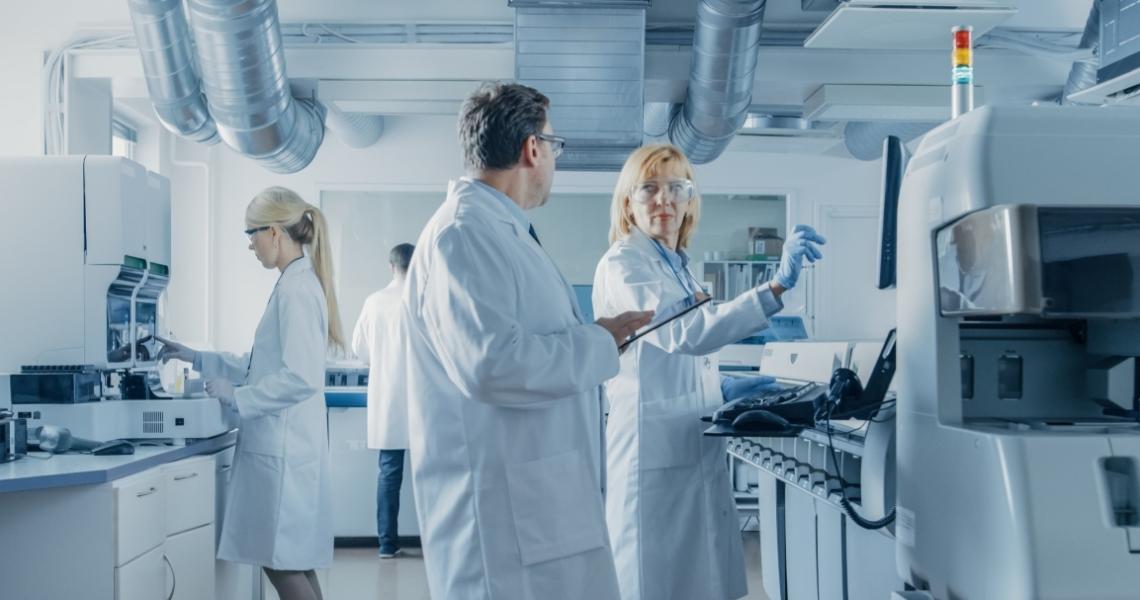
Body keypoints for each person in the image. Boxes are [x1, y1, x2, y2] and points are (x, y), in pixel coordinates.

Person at [391, 81, 653, 600]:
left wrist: (591, 341)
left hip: (534, 499)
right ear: (533, 149)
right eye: (553, 146)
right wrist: (597, 342)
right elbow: (492, 366)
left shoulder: (500, 232)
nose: (553, 158)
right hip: (502, 516)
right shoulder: (463, 235)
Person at [592, 144, 826, 600]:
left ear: (689, 200)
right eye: (650, 188)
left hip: (687, 439)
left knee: (697, 579)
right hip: (652, 452)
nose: (665, 200)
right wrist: (775, 286)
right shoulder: (625, 265)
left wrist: (718, 388)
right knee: (653, 581)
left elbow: (675, 360)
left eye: (677, 187)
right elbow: (686, 334)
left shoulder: (678, 267)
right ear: (627, 201)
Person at [158, 186, 343, 600]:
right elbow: (259, 363)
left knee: (283, 566)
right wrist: (197, 356)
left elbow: (300, 377)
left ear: (275, 232)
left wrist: (239, 398)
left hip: (285, 451)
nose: (250, 245)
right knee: (290, 563)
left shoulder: (296, 290)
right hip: (287, 448)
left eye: (251, 234)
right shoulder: (293, 284)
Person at [351, 243, 415, 559]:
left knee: (389, 473)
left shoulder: (374, 302)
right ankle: (437, 542)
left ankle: (387, 545)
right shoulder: (423, 299)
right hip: (423, 403)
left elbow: (359, 350)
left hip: (388, 399)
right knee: (433, 474)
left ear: (391, 267)